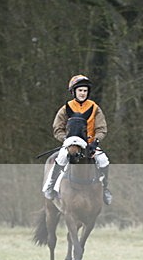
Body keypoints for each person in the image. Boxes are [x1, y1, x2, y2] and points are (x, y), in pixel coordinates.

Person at [42, 74, 112, 205]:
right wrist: (66, 140)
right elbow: (57, 128)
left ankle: (105, 189)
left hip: (89, 143)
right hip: (70, 142)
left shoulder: (95, 108)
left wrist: (95, 141)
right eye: (80, 90)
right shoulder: (65, 108)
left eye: (85, 91)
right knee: (61, 158)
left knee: (103, 160)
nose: (83, 93)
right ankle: (51, 186)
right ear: (73, 92)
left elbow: (101, 128)